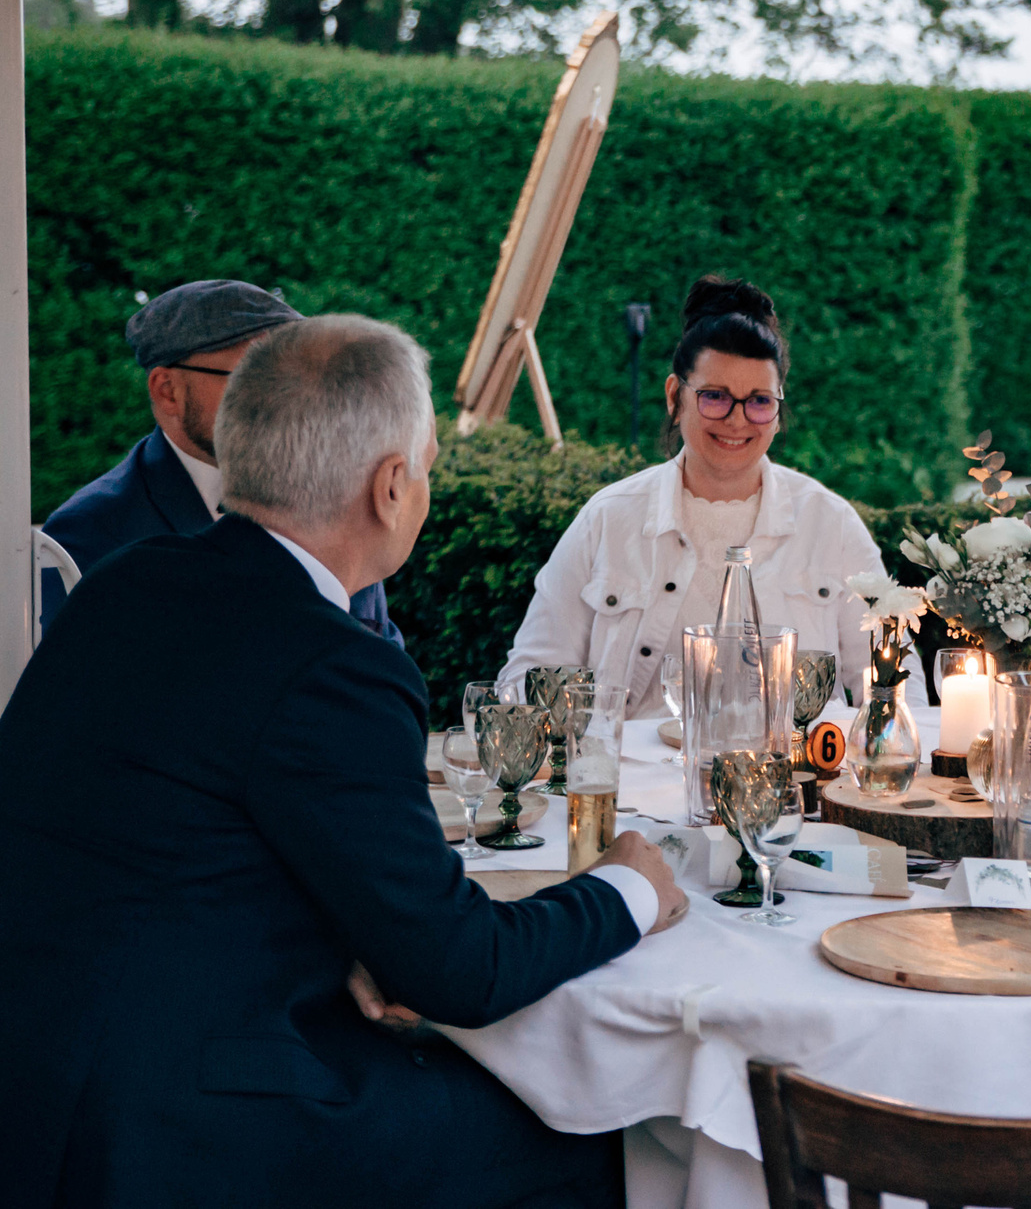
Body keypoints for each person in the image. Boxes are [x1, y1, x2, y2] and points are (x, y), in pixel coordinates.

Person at [0, 315, 682, 1208]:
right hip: (175, 1132)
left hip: (33, 1080)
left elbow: (180, 841)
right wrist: (629, 887)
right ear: (391, 487)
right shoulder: (336, 665)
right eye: (427, 467)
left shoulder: (123, 585)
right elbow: (461, 970)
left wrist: (361, 940)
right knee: (603, 1135)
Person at [502, 276, 884, 720]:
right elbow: (529, 676)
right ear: (674, 397)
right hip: (633, 763)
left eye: (759, 401)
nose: (737, 420)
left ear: (778, 412)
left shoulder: (831, 524)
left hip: (793, 765)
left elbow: (894, 681)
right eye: (714, 397)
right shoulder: (607, 519)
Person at [42, 279, 401, 643]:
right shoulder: (90, 535)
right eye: (253, 378)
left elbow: (378, 653)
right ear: (168, 392)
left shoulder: (336, 504)